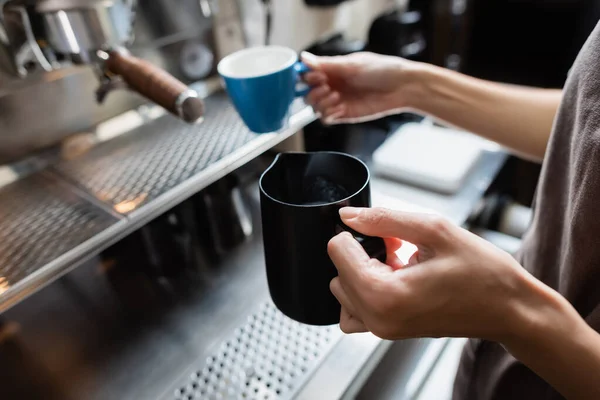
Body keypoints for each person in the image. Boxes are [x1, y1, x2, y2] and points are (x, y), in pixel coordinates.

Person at [299, 20, 600, 400]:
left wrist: (515, 313)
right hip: (498, 369)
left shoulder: (514, 316)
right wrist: (410, 85)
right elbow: (584, 118)